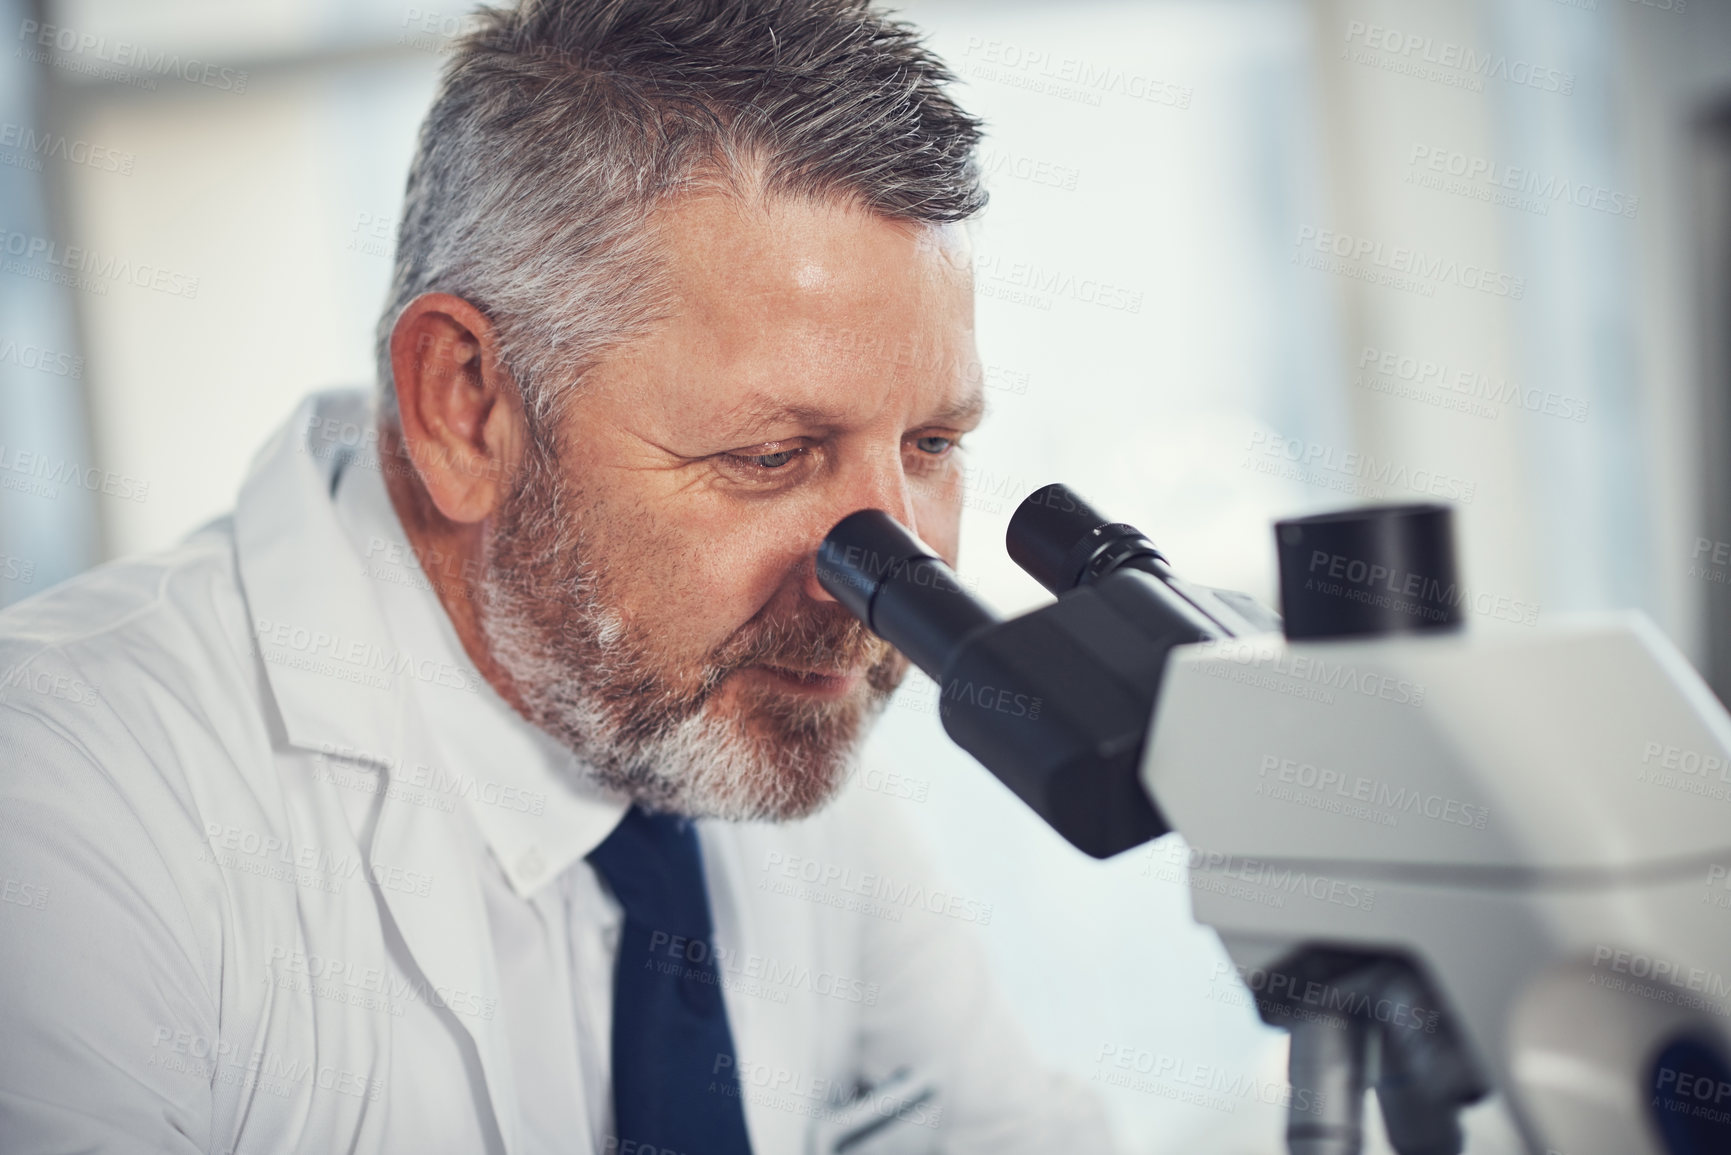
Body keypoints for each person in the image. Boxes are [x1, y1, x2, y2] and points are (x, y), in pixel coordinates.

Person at [0, 1, 1116, 1153]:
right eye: (770, 455)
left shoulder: (756, 717)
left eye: (933, 446)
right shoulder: (61, 807)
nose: (878, 583)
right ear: (467, 408)